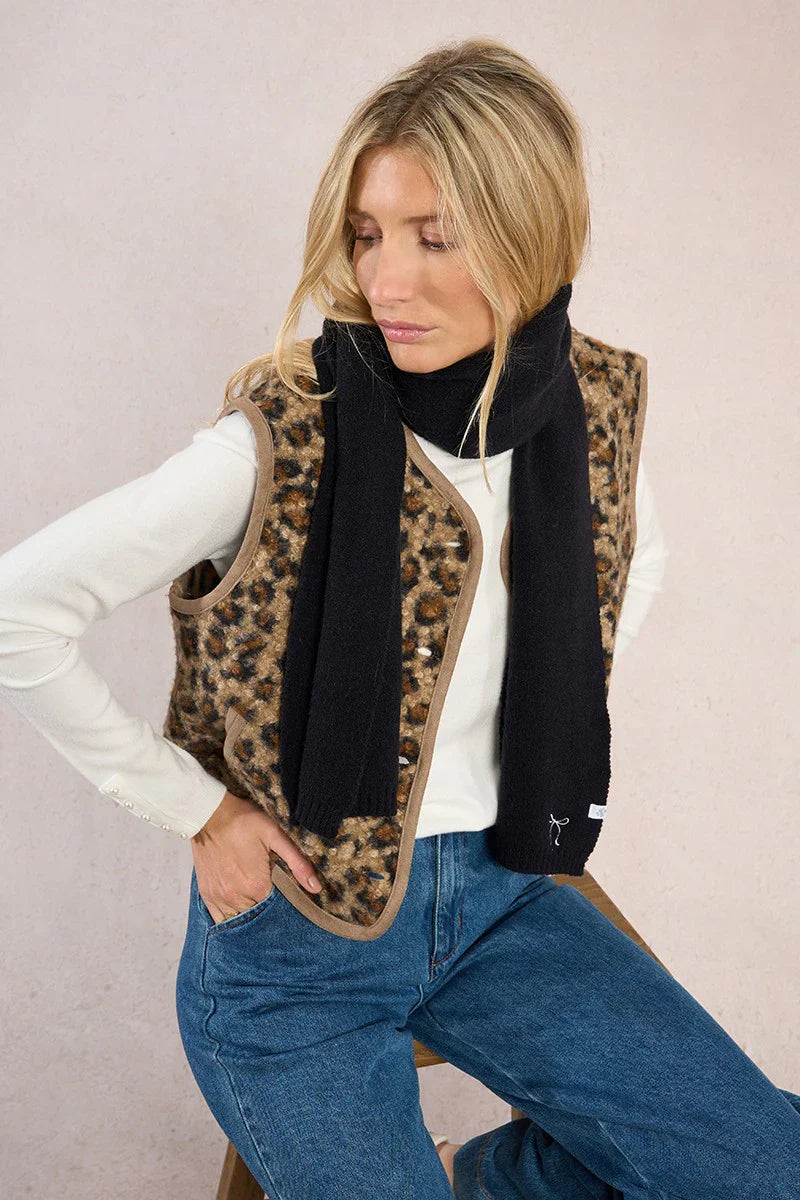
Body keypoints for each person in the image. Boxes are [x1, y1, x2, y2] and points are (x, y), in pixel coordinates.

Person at [1, 35, 798, 1200]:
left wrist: (541, 717)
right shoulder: (280, 436)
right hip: (295, 955)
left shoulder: (593, 408)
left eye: (436, 237)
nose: (384, 279)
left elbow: (633, 568)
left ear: (529, 227)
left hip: (506, 898)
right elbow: (20, 607)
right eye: (369, 234)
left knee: (764, 1166)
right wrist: (193, 806)